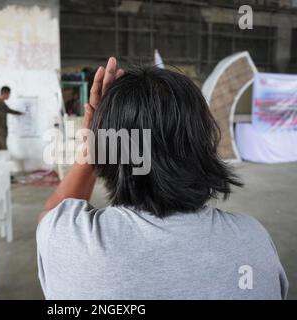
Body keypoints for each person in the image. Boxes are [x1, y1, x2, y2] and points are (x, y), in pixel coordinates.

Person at [36, 57, 288, 299]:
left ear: (109, 151)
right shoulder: (252, 242)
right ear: (204, 144)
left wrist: (93, 145)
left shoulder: (67, 240)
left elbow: (50, 214)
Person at [0, 86, 23, 150]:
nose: (9, 96)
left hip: (2, 132)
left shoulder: (2, 103)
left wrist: (19, 113)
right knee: (2, 150)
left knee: (2, 150)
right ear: (5, 93)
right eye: (9, 94)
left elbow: (8, 110)